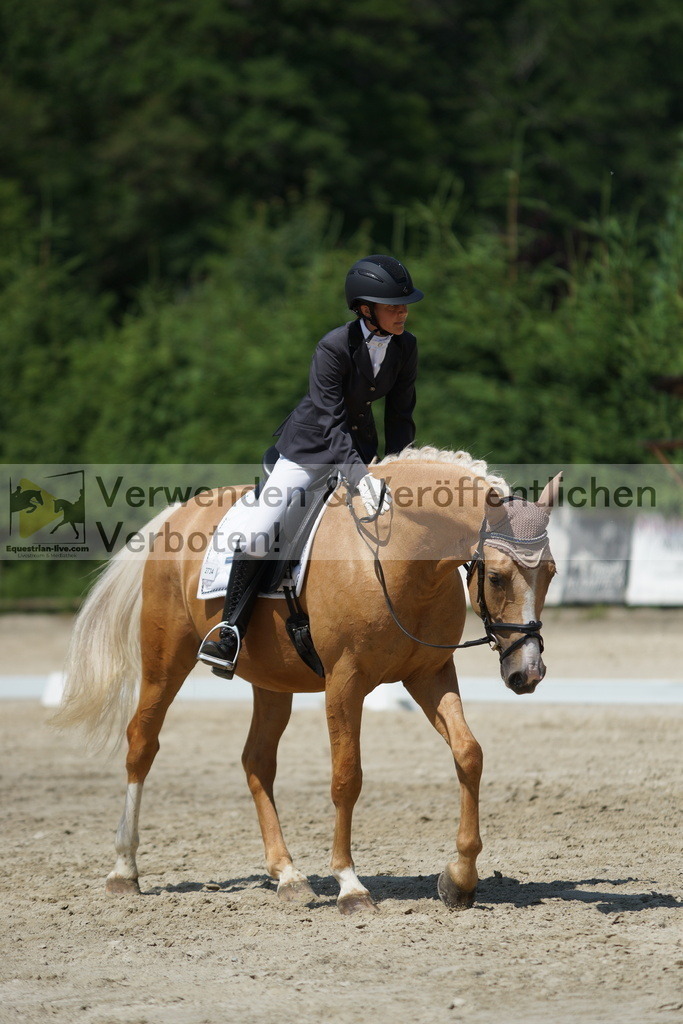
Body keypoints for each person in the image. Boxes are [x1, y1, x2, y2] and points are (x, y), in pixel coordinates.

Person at [198, 254, 424, 677]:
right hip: (308, 449)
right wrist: (359, 477)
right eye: (394, 306)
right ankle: (229, 630)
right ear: (364, 309)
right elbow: (331, 420)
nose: (403, 313)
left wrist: (397, 468)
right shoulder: (333, 347)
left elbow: (400, 414)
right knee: (263, 525)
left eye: (405, 305)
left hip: (360, 448)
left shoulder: (406, 346)